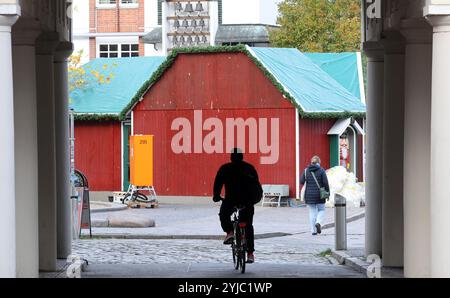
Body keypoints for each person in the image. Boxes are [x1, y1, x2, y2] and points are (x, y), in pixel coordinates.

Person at [213, 148, 262, 264]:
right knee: (248, 225)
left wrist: (216, 196)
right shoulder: (249, 168)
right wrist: (254, 199)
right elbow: (256, 185)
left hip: (231, 200)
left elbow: (218, 183)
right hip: (247, 201)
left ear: (231, 157)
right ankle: (250, 254)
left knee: (224, 214)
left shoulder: (225, 168)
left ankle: (229, 232)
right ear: (242, 156)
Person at [300, 156, 330, 236]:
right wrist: (328, 193)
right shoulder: (321, 170)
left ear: (311, 162)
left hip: (309, 195)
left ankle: (313, 231)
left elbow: (301, 181)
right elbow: (325, 183)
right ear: (318, 162)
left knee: (312, 211)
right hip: (319, 195)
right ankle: (318, 222)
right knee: (321, 209)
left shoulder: (306, 171)